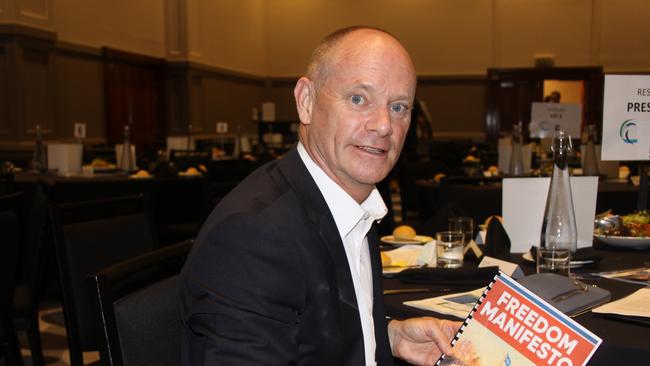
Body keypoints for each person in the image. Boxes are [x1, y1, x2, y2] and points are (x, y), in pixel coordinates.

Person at [180, 26, 460, 366]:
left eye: (399, 107)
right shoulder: (251, 239)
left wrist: (385, 336)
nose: (384, 125)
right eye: (359, 99)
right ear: (306, 102)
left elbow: (308, 333)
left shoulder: (352, 203)